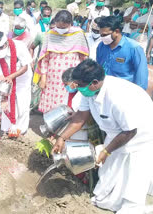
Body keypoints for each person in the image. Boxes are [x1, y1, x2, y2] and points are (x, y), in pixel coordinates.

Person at [52, 59, 153, 213]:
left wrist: (106, 151)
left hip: (140, 133)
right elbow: (81, 117)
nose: (77, 88)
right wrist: (62, 138)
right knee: (108, 171)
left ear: (94, 82)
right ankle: (108, 199)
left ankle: (132, 206)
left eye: (80, 85)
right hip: (117, 132)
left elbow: (130, 131)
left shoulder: (117, 98)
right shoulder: (89, 91)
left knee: (134, 171)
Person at [36, 10, 89, 113]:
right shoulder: (50, 34)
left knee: (68, 103)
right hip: (53, 77)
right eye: (58, 27)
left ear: (71, 24)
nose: (60, 30)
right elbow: (45, 59)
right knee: (51, 104)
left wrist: (81, 78)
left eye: (63, 27)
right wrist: (43, 78)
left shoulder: (78, 34)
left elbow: (84, 58)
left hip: (71, 77)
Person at [0, 32, 32, 137]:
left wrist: (11, 76)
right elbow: (0, 75)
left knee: (22, 103)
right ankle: (8, 128)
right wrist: (4, 96)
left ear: (6, 43)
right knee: (7, 104)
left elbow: (25, 67)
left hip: (22, 77)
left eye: (1, 48)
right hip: (7, 78)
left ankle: (21, 130)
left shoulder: (19, 46)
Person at [96, 16, 148, 90]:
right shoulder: (101, 46)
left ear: (117, 32)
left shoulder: (134, 48)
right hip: (105, 89)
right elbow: (99, 67)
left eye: (105, 35)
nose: (102, 37)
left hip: (124, 91)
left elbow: (141, 76)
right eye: (101, 35)